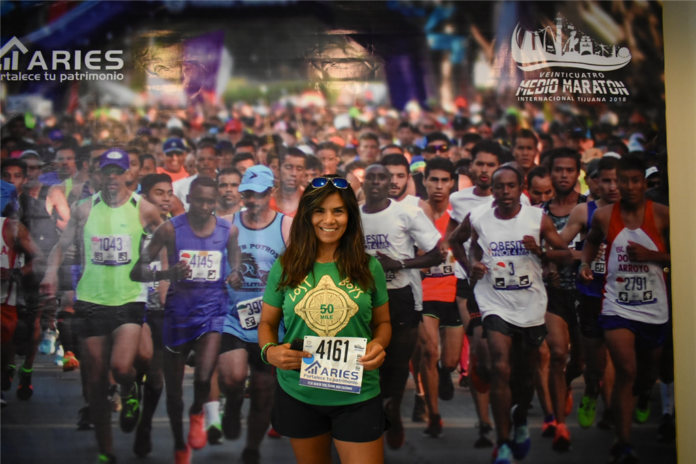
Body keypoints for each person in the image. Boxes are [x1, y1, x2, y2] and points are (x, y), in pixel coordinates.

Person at [40, 148, 164, 464]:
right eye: (107, 171)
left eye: (117, 172)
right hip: (91, 299)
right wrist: (51, 273)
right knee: (95, 380)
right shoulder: (83, 209)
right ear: (99, 174)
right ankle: (106, 449)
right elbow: (61, 246)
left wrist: (166, 281)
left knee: (121, 367)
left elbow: (166, 244)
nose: (112, 178)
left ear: (127, 175)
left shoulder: (144, 209)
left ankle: (128, 391)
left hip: (129, 299)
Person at [258, 174, 391, 464]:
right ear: (307, 215)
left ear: (350, 216)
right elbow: (267, 323)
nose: (328, 220)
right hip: (299, 393)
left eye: (338, 211)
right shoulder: (286, 265)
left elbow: (383, 323)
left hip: (357, 394)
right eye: (319, 210)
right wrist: (269, 352)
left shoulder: (370, 267)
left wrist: (379, 344)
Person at [130, 176, 241, 464]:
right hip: (176, 314)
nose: (204, 207)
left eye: (210, 202)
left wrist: (235, 273)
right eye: (199, 201)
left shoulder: (228, 230)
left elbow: (235, 257)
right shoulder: (170, 229)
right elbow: (136, 271)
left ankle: (197, 413)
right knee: (170, 389)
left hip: (212, 312)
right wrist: (167, 274)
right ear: (189, 199)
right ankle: (178, 443)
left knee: (203, 377)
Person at [468, 166, 571, 464]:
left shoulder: (537, 218)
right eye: (499, 187)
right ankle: (502, 443)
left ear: (520, 188)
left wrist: (541, 253)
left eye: (511, 186)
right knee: (500, 366)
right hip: (495, 302)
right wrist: (473, 265)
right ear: (493, 190)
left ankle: (521, 416)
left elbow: (565, 255)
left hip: (530, 304)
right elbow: (468, 246)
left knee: (525, 378)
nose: (505, 192)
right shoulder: (480, 218)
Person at [579, 154, 670, 464]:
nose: (629, 187)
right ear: (616, 183)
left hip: (654, 307)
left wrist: (652, 255)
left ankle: (644, 393)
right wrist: (584, 264)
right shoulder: (604, 217)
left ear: (644, 183)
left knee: (647, 374)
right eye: (624, 181)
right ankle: (623, 442)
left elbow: (685, 254)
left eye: (635, 181)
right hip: (617, 305)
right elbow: (591, 242)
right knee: (626, 370)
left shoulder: (663, 215)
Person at [360, 164, 443, 449]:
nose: (375, 182)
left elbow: (436, 255)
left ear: (390, 184)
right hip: (363, 299)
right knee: (366, 363)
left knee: (396, 364)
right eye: (370, 177)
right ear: (363, 182)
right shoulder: (352, 216)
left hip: (402, 296)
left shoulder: (407, 213)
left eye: (381, 178)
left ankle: (392, 408)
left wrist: (398, 263)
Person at [218, 165, 292, 464]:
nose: (252, 200)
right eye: (247, 193)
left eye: (259, 194)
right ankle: (233, 403)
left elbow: (304, 270)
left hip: (273, 323)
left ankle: (251, 448)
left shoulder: (287, 227)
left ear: (271, 192)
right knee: (234, 377)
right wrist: (226, 276)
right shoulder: (226, 224)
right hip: (232, 318)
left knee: (263, 390)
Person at [560, 156, 620, 430]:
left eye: (617, 180)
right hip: (590, 294)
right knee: (595, 364)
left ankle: (613, 410)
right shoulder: (584, 211)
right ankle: (593, 390)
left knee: (619, 359)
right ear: (594, 181)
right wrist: (580, 258)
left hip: (622, 296)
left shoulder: (637, 212)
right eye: (606, 180)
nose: (612, 186)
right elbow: (558, 245)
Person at [541, 148, 587, 452]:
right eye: (558, 169)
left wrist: (565, 256)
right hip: (552, 294)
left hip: (585, 293)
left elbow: (597, 251)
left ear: (577, 173)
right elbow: (533, 252)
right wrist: (547, 267)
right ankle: (560, 425)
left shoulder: (590, 209)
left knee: (580, 362)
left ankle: (569, 382)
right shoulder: (538, 212)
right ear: (550, 173)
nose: (563, 175)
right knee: (557, 354)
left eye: (569, 170)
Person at [418, 158, 464, 437]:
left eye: (444, 180)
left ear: (452, 183)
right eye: (433, 180)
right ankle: (433, 415)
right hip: (425, 293)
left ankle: (445, 373)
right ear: (424, 181)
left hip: (453, 293)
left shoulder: (458, 216)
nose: (438, 186)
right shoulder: (414, 214)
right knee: (429, 352)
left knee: (449, 361)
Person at [132, 173, 175, 457]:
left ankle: (144, 423)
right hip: (133, 303)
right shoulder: (133, 226)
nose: (166, 198)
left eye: (169, 192)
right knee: (141, 359)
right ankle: (131, 396)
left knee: (156, 373)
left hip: (162, 307)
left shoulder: (176, 228)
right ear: (145, 197)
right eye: (159, 193)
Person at [380, 153, 433, 220]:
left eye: (400, 176)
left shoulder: (421, 208)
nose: (394, 181)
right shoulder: (369, 207)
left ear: (408, 178)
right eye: (389, 176)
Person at [174, 141, 219, 211]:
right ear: (195, 162)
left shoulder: (226, 183)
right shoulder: (182, 186)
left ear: (217, 161)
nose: (206, 163)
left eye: (210, 159)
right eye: (201, 159)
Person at [270, 148, 306, 217]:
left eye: (299, 169)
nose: (294, 173)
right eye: (288, 167)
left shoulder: (311, 203)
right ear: (278, 169)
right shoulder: (266, 202)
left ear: (304, 172)